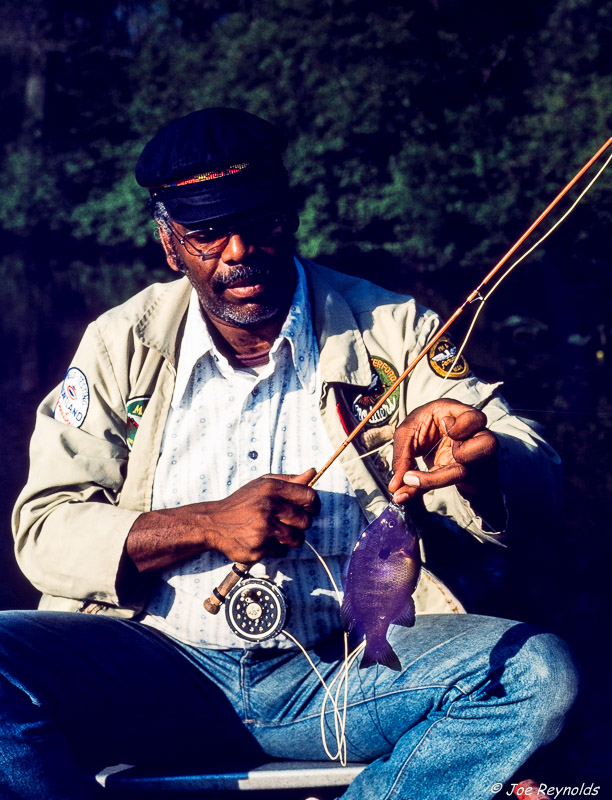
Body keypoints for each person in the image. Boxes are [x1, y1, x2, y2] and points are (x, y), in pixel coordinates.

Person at [4, 107, 577, 800]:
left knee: (537, 676)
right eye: (209, 233)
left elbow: (532, 461)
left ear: (290, 215)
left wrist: (482, 461)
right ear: (169, 244)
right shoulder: (121, 343)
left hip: (349, 673)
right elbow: (43, 529)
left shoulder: (395, 329)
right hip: (158, 670)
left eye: (260, 221)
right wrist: (205, 524)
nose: (238, 250)